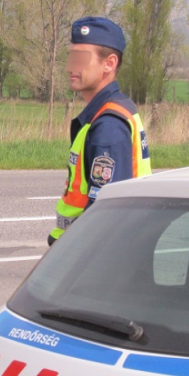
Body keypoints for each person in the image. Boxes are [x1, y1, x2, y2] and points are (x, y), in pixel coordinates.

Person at [49, 17, 151, 246]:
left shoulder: (108, 126)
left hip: (88, 257)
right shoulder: (107, 112)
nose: (70, 67)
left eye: (81, 58)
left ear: (109, 63)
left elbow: (107, 216)